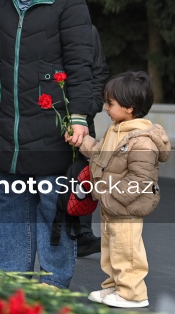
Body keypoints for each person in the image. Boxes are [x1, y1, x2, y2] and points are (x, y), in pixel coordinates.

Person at [0, 0, 94, 288]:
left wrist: (79, 117)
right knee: (10, 204)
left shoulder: (69, 1)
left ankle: (53, 285)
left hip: (53, 123)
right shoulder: (5, 1)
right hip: (12, 123)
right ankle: (10, 280)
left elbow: (80, 64)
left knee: (52, 205)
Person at [68, 71, 170, 308]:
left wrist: (108, 192)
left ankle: (132, 294)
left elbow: (141, 179)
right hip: (111, 204)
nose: (105, 107)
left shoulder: (141, 140)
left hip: (126, 207)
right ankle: (114, 286)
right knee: (111, 249)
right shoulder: (116, 130)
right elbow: (100, 156)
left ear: (129, 107)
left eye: (110, 103)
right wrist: (82, 141)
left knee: (127, 252)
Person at [76, 25, 110, 257]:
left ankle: (82, 234)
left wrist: (89, 108)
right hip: (46, 114)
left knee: (84, 172)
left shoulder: (88, 30)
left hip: (82, 114)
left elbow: (99, 72)